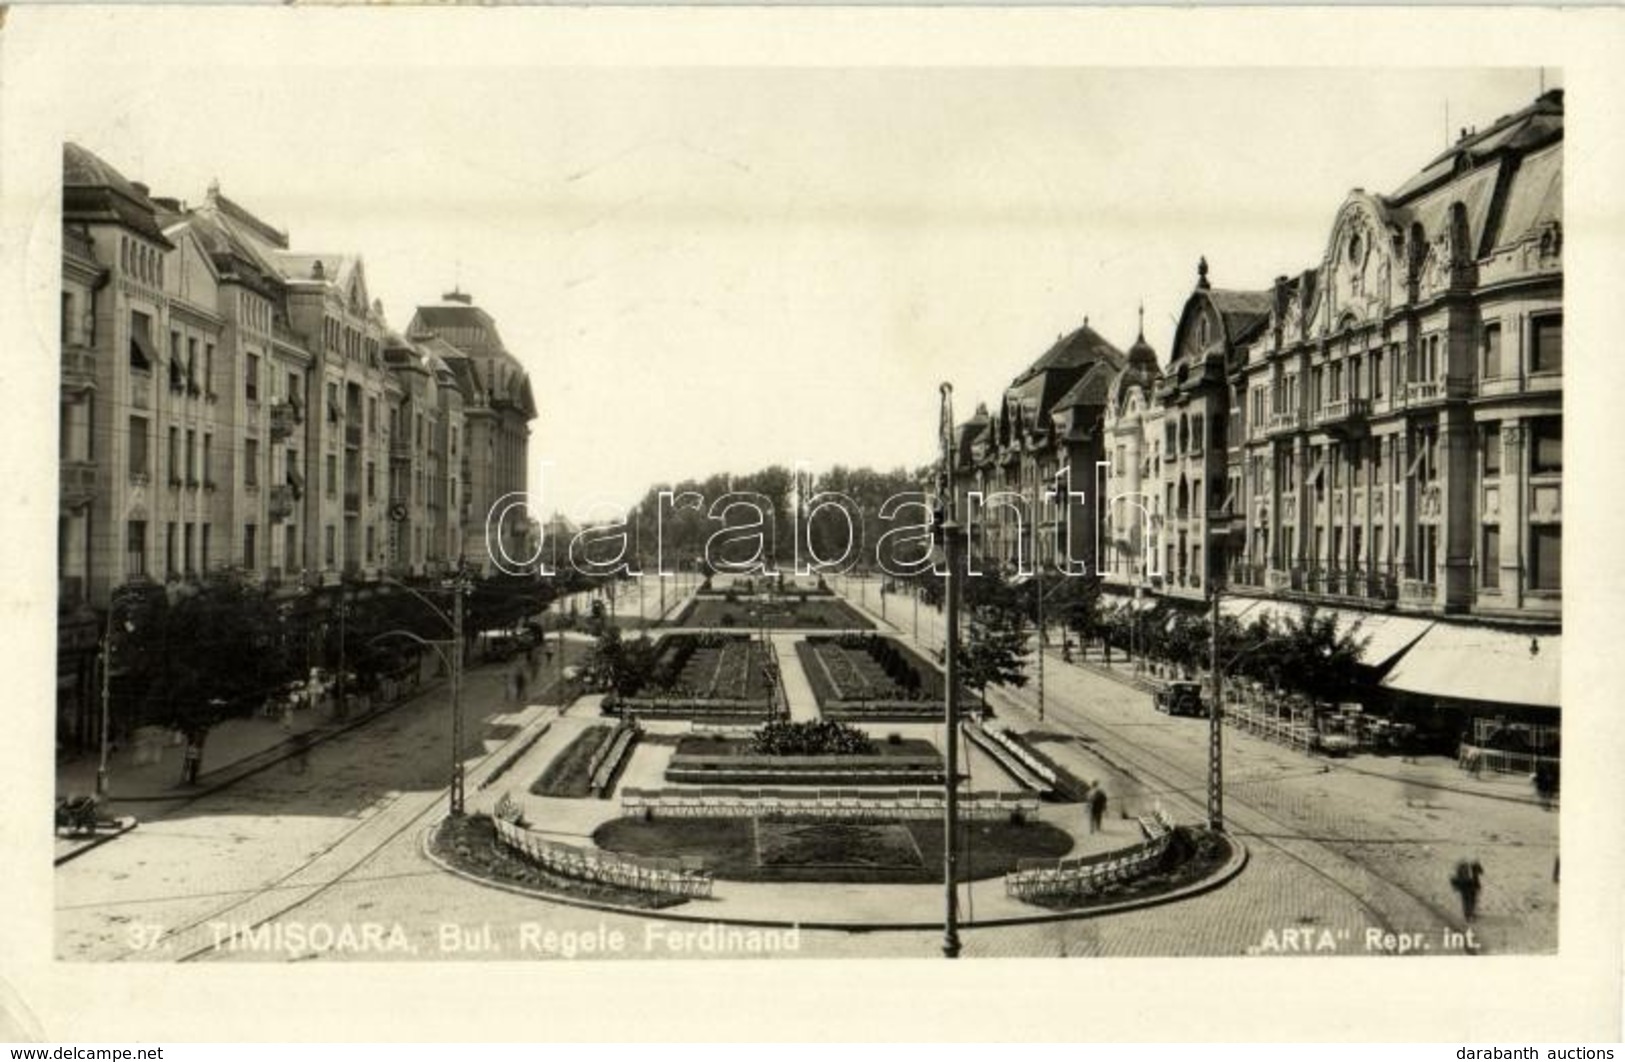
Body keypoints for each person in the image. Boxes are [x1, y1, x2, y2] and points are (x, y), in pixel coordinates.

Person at [1450, 857, 1485, 922]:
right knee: (1470, 901)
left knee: (1468, 901)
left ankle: (1469, 914)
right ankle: (1469, 915)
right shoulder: (1473, 867)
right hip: (1469, 886)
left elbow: (1480, 872)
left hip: (1467, 887)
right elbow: (1481, 872)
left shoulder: (1464, 868)